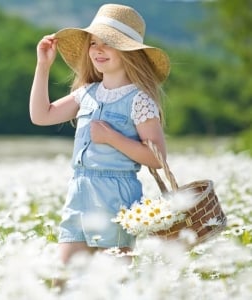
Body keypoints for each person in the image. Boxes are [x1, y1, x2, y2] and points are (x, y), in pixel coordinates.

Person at [29, 4, 170, 266]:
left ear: (130, 52)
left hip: (116, 197)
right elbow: (41, 115)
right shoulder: (87, 93)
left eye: (109, 43)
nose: (98, 49)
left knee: (113, 280)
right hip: (79, 192)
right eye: (94, 42)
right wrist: (43, 66)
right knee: (63, 276)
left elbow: (157, 157)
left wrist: (112, 137)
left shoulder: (139, 100)